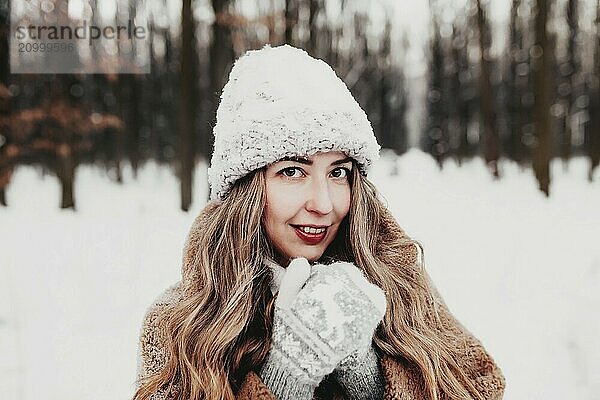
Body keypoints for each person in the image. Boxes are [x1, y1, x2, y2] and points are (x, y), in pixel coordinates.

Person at [133, 44, 505, 400]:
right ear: (245, 189)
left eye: (338, 172)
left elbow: (480, 386)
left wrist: (366, 376)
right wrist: (285, 376)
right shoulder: (179, 322)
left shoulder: (396, 280)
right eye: (293, 171)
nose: (323, 204)